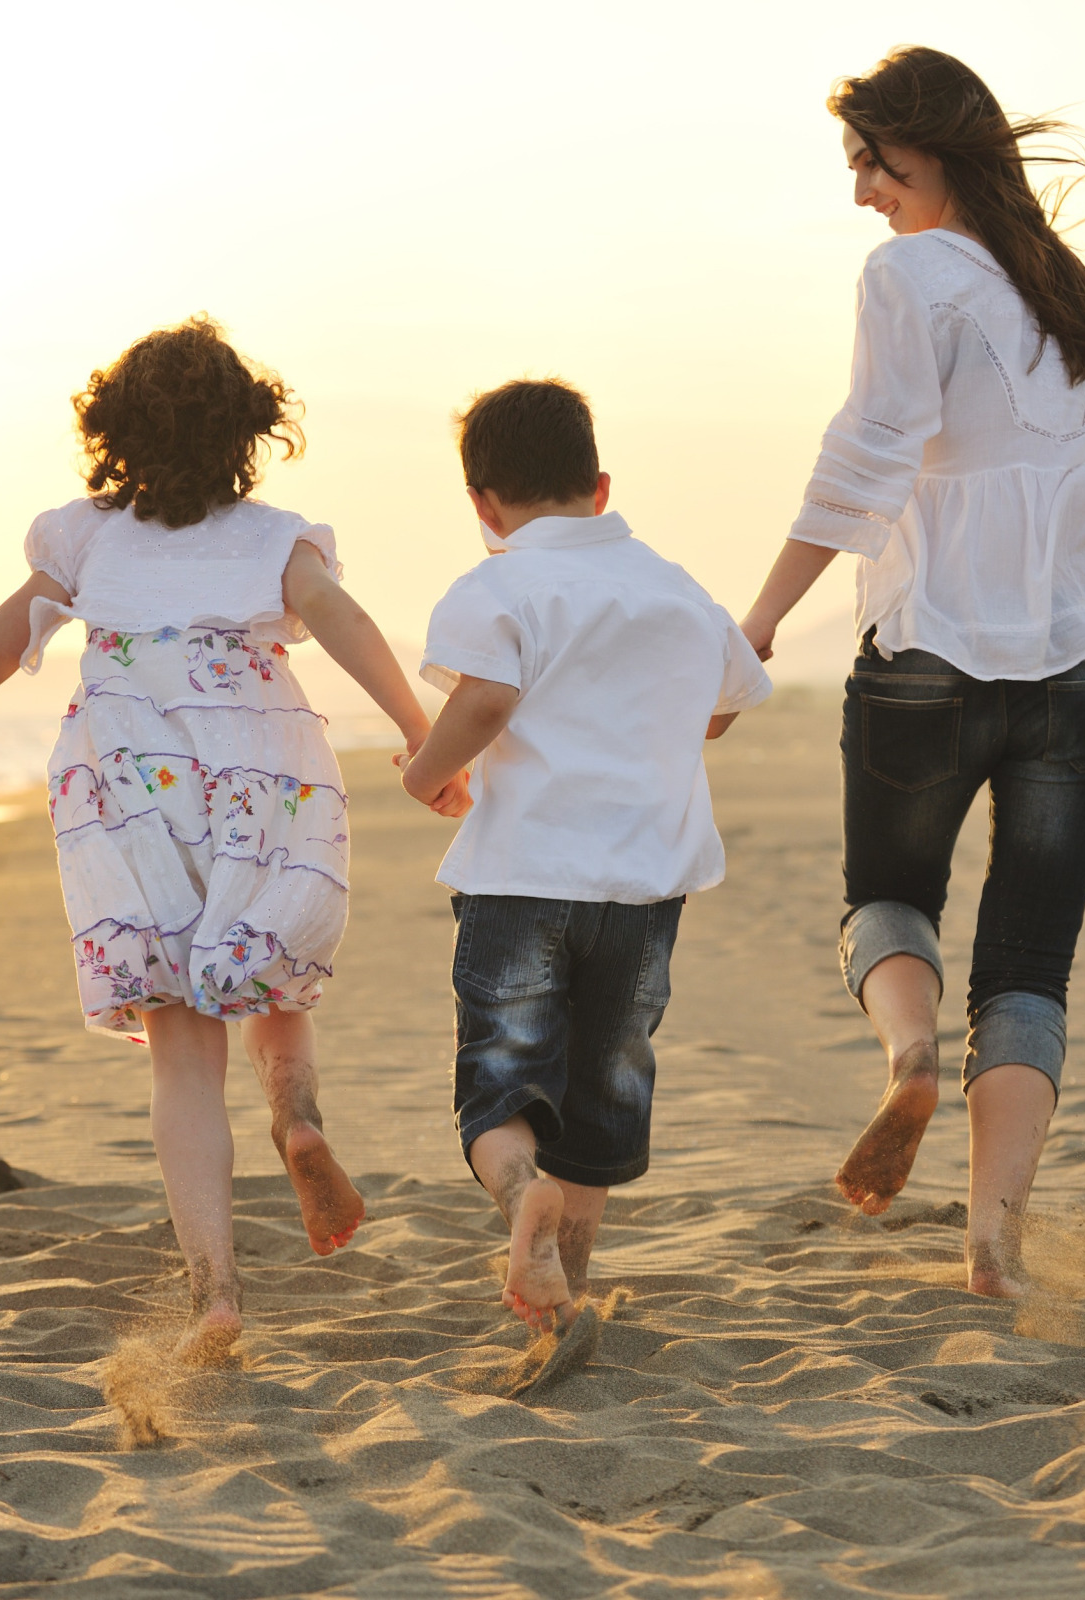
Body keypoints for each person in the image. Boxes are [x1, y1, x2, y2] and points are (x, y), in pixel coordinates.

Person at [736, 47, 1085, 1297]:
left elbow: (867, 455)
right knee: (1032, 964)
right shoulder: (1072, 300)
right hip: (1081, 670)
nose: (864, 192)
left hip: (929, 655)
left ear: (930, 148)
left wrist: (765, 617)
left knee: (886, 898)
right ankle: (993, 1238)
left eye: (873, 163)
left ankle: (908, 1057)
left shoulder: (909, 275)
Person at [0, 318, 437, 1362]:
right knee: (270, 976)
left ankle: (215, 1292)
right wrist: (422, 733)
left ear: (111, 430)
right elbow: (338, 617)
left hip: (131, 781)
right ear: (249, 431)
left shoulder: (85, 537)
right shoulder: (275, 539)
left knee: (181, 1052)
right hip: (261, 765)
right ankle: (297, 1121)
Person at [400, 379, 772, 1335]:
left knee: (502, 1079)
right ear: (600, 486)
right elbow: (723, 705)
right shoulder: (675, 587)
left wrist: (423, 774)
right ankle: (559, 1291)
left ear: (482, 504)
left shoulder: (497, 585)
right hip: (646, 888)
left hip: (523, 876)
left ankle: (522, 1191)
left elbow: (483, 701)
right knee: (603, 1094)